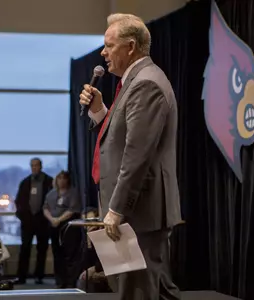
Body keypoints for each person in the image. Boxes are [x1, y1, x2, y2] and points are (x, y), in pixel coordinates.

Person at [79, 13, 182, 300]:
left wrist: (116, 209)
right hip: (133, 210)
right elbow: (119, 140)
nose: (103, 53)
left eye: (109, 45)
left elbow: (137, 155)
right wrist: (100, 110)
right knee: (142, 290)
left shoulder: (145, 83)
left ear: (131, 46)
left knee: (139, 292)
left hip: (139, 212)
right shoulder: (133, 81)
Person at [15, 158, 53, 284]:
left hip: (42, 220)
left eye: (36, 165)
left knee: (42, 249)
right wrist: (23, 216)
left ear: (41, 166)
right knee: (25, 248)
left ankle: (39, 276)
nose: (34, 168)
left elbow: (52, 200)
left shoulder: (49, 181)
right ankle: (21, 276)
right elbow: (19, 201)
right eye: (32, 166)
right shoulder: (25, 182)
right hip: (28, 221)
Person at [43, 171, 82, 288]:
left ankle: (70, 281)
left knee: (69, 254)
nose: (61, 181)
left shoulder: (73, 192)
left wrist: (59, 219)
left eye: (64, 178)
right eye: (59, 178)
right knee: (57, 254)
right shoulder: (51, 193)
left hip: (68, 227)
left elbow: (73, 209)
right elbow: (45, 208)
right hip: (53, 226)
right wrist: (52, 219)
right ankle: (59, 280)